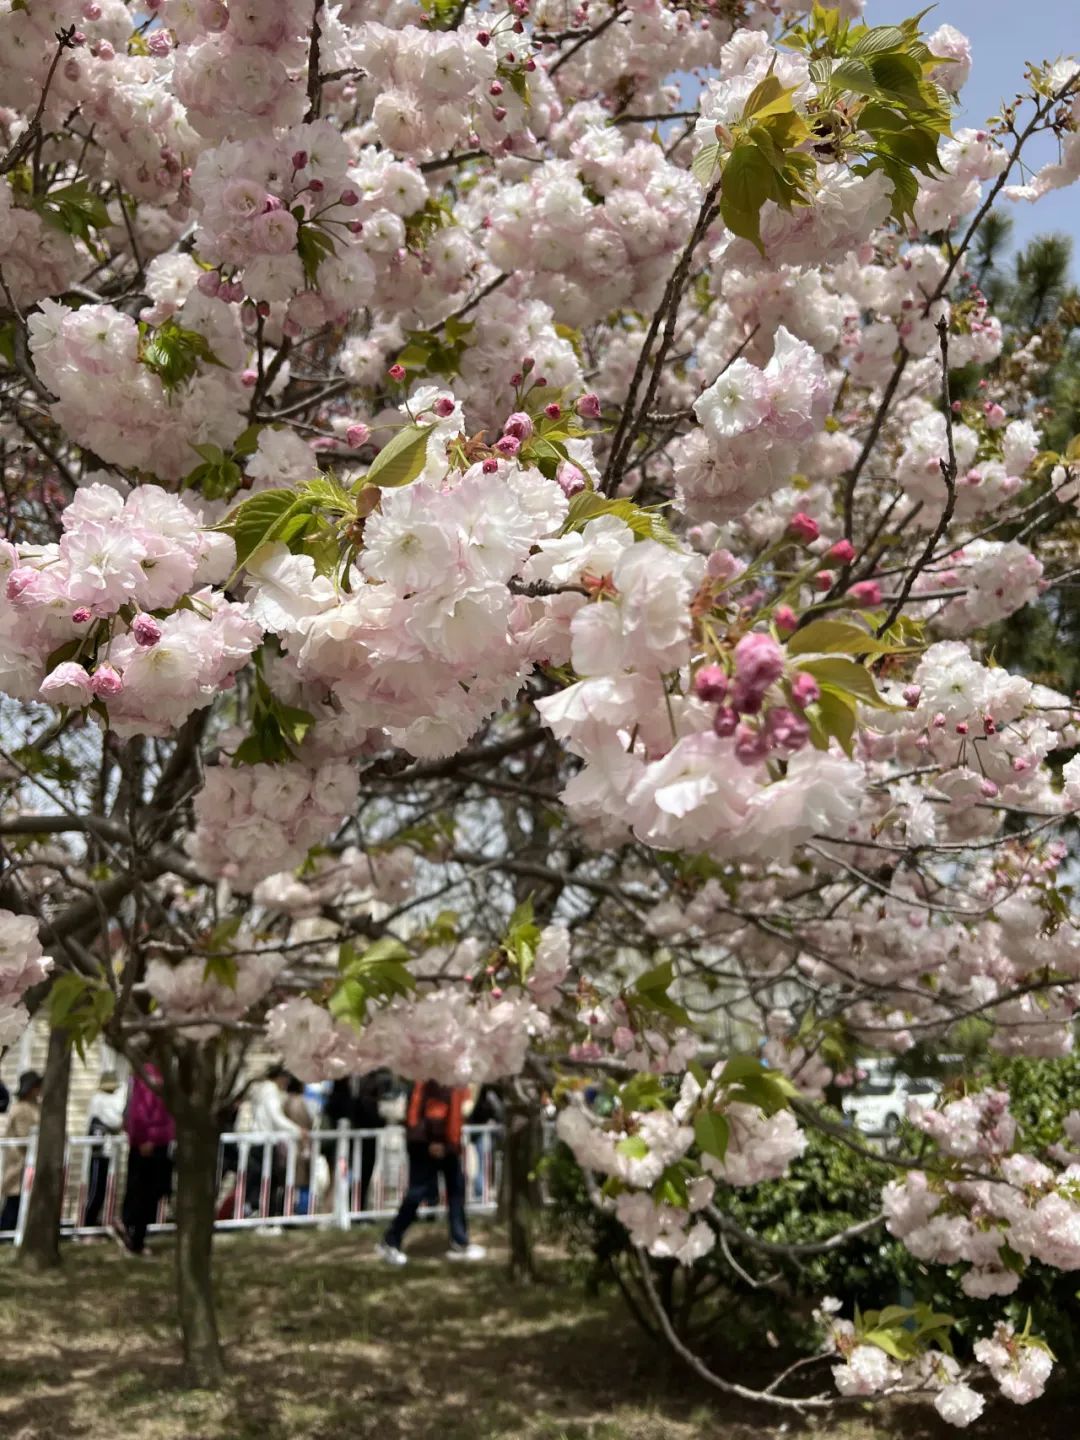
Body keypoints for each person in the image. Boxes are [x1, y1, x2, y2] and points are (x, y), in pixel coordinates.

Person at [377, 1080, 486, 1265]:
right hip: (429, 1144)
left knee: (456, 1190)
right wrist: (435, 1140)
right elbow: (433, 1108)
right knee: (418, 1192)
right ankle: (391, 1240)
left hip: (445, 1143)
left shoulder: (448, 1076)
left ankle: (460, 1240)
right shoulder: (434, 1075)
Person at [114, 1065, 174, 1257]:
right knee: (144, 1191)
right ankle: (132, 1234)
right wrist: (143, 1137)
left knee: (153, 1190)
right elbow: (140, 1110)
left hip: (160, 1139)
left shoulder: (162, 1075)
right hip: (149, 1142)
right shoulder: (149, 1077)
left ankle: (132, 1230)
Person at [323, 1069, 392, 1215]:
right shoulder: (354, 1100)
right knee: (354, 1177)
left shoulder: (345, 1098)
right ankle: (352, 1210)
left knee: (347, 1178)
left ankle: (351, 1209)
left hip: (353, 1144)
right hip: (358, 1144)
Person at [246, 1064, 303, 1222]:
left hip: (257, 1140)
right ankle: (265, 1216)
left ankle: (259, 1213)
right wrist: (297, 1130)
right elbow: (275, 1117)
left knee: (261, 1181)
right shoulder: (270, 1091)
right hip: (265, 1141)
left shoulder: (260, 1089)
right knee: (269, 1182)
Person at [0, 1071, 43, 1234]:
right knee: (14, 1202)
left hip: (30, 1164)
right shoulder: (21, 1109)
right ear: (31, 1088)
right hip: (19, 1163)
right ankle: (5, 1234)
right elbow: (26, 1136)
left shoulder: (35, 1106)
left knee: (24, 1202)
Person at [83, 1070, 126, 1230]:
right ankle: (88, 1224)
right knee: (96, 1189)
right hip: (99, 1149)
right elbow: (114, 1121)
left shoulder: (113, 1098)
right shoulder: (99, 1099)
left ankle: (98, 1221)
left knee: (104, 1188)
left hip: (109, 1149)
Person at [283, 1075, 314, 1214]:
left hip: (287, 1145)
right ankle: (299, 1210)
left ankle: (290, 1210)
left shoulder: (285, 1101)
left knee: (290, 1180)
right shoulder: (300, 1102)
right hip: (300, 1144)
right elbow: (307, 1122)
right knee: (300, 1181)